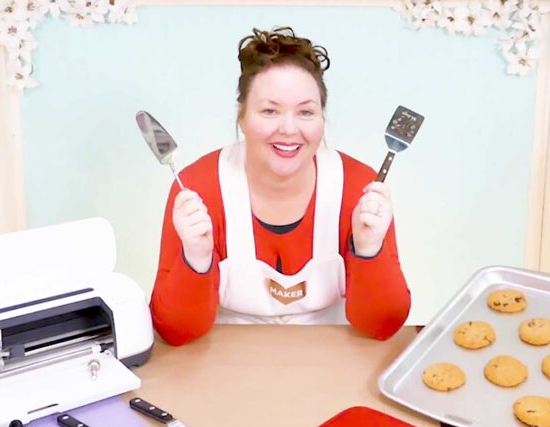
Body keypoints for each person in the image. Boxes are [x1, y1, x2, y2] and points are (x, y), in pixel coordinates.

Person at [150, 27, 410, 346]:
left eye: (305, 112)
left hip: (333, 362)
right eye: (270, 110)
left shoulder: (360, 186)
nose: (288, 129)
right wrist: (195, 257)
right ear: (241, 117)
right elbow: (175, 330)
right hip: (224, 365)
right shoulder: (196, 189)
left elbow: (382, 325)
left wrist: (370, 250)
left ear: (322, 119)